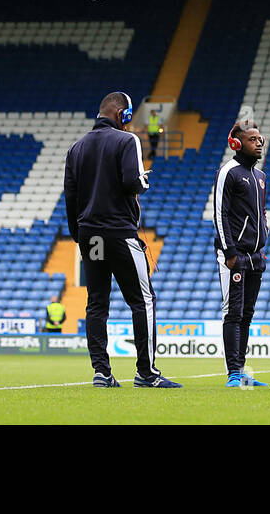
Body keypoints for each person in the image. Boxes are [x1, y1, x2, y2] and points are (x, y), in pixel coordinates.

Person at [64, 90, 180, 389]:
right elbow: (132, 182)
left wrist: (79, 235)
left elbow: (71, 196)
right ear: (122, 115)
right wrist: (144, 178)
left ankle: (101, 372)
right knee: (143, 301)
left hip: (90, 235)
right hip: (119, 232)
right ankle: (146, 372)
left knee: (97, 303)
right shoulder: (127, 140)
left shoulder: (76, 148)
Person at [214, 118, 270, 388]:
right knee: (233, 313)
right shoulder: (229, 171)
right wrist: (229, 251)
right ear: (236, 144)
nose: (258, 142)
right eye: (252, 139)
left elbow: (262, 215)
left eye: (260, 139)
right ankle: (233, 372)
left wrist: (263, 245)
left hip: (256, 257)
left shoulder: (260, 177)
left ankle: (242, 369)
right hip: (234, 255)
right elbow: (219, 213)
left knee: (247, 313)